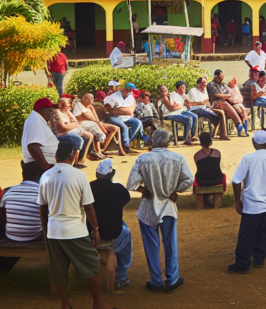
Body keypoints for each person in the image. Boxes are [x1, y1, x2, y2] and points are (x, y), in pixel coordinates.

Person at [39, 141, 113, 309]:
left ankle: (65, 304)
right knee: (92, 265)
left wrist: (45, 230)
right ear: (73, 156)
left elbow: (42, 207)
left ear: (56, 157)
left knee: (59, 270)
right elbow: (89, 207)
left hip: (54, 231)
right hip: (75, 231)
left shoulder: (45, 176)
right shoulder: (79, 175)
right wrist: (96, 229)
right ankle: (98, 304)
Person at [126, 130, 193, 291]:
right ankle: (172, 279)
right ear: (168, 142)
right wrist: (176, 190)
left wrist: (143, 190)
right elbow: (189, 180)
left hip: (148, 207)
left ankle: (156, 281)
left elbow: (131, 183)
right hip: (168, 205)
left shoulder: (143, 159)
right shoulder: (177, 158)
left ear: (153, 141)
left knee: (151, 245)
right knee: (170, 243)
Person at [226, 130, 266, 274]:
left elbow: (236, 181)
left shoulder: (247, 159)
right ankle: (259, 259)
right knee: (263, 233)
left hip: (251, 204)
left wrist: (237, 201)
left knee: (246, 234)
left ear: (253, 143)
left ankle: (242, 263)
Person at [0, 160, 44, 273]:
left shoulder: (9, 191)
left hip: (11, 234)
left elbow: (1, 213)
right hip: (34, 235)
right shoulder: (42, 192)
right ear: (39, 175)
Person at [88, 159, 133, 289]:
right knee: (126, 232)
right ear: (112, 173)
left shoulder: (89, 187)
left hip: (90, 231)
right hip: (113, 232)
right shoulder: (119, 189)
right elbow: (126, 198)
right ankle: (121, 277)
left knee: (123, 225)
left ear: (96, 174)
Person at [52, 97, 96, 164]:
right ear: (63, 104)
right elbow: (63, 127)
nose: (70, 105)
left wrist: (70, 123)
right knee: (78, 139)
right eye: (68, 103)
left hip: (71, 130)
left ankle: (82, 159)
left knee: (89, 136)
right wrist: (72, 124)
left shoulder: (67, 111)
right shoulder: (57, 112)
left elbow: (76, 123)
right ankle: (75, 161)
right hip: (61, 134)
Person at [23, 98, 60, 171]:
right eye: (50, 109)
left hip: (42, 164)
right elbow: (33, 146)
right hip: (40, 166)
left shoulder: (36, 118)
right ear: (42, 110)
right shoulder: (36, 120)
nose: (51, 112)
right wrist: (46, 166)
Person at [104, 83, 143, 154]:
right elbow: (107, 108)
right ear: (122, 90)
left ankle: (126, 143)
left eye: (131, 90)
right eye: (128, 90)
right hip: (115, 117)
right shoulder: (113, 96)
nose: (129, 92)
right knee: (125, 128)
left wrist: (119, 110)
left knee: (138, 123)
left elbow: (130, 111)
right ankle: (126, 146)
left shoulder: (131, 97)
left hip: (127, 117)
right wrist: (112, 110)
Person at [208, 70, 247, 136]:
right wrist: (224, 96)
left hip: (224, 104)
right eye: (221, 76)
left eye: (222, 76)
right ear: (216, 76)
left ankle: (239, 127)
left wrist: (223, 96)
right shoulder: (211, 84)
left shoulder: (222, 85)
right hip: (215, 104)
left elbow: (228, 95)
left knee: (235, 108)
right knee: (224, 103)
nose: (222, 78)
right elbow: (216, 95)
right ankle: (239, 124)